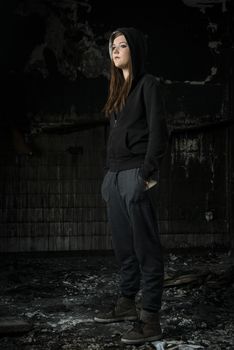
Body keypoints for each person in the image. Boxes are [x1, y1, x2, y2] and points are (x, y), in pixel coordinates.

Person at [94, 27, 169, 345]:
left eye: (122, 45)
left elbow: (159, 132)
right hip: (115, 176)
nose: (115, 49)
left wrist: (146, 175)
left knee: (145, 250)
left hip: (135, 174)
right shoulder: (116, 89)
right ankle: (127, 303)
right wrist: (108, 176)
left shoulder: (148, 85)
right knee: (124, 247)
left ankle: (150, 319)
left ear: (134, 50)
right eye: (112, 45)